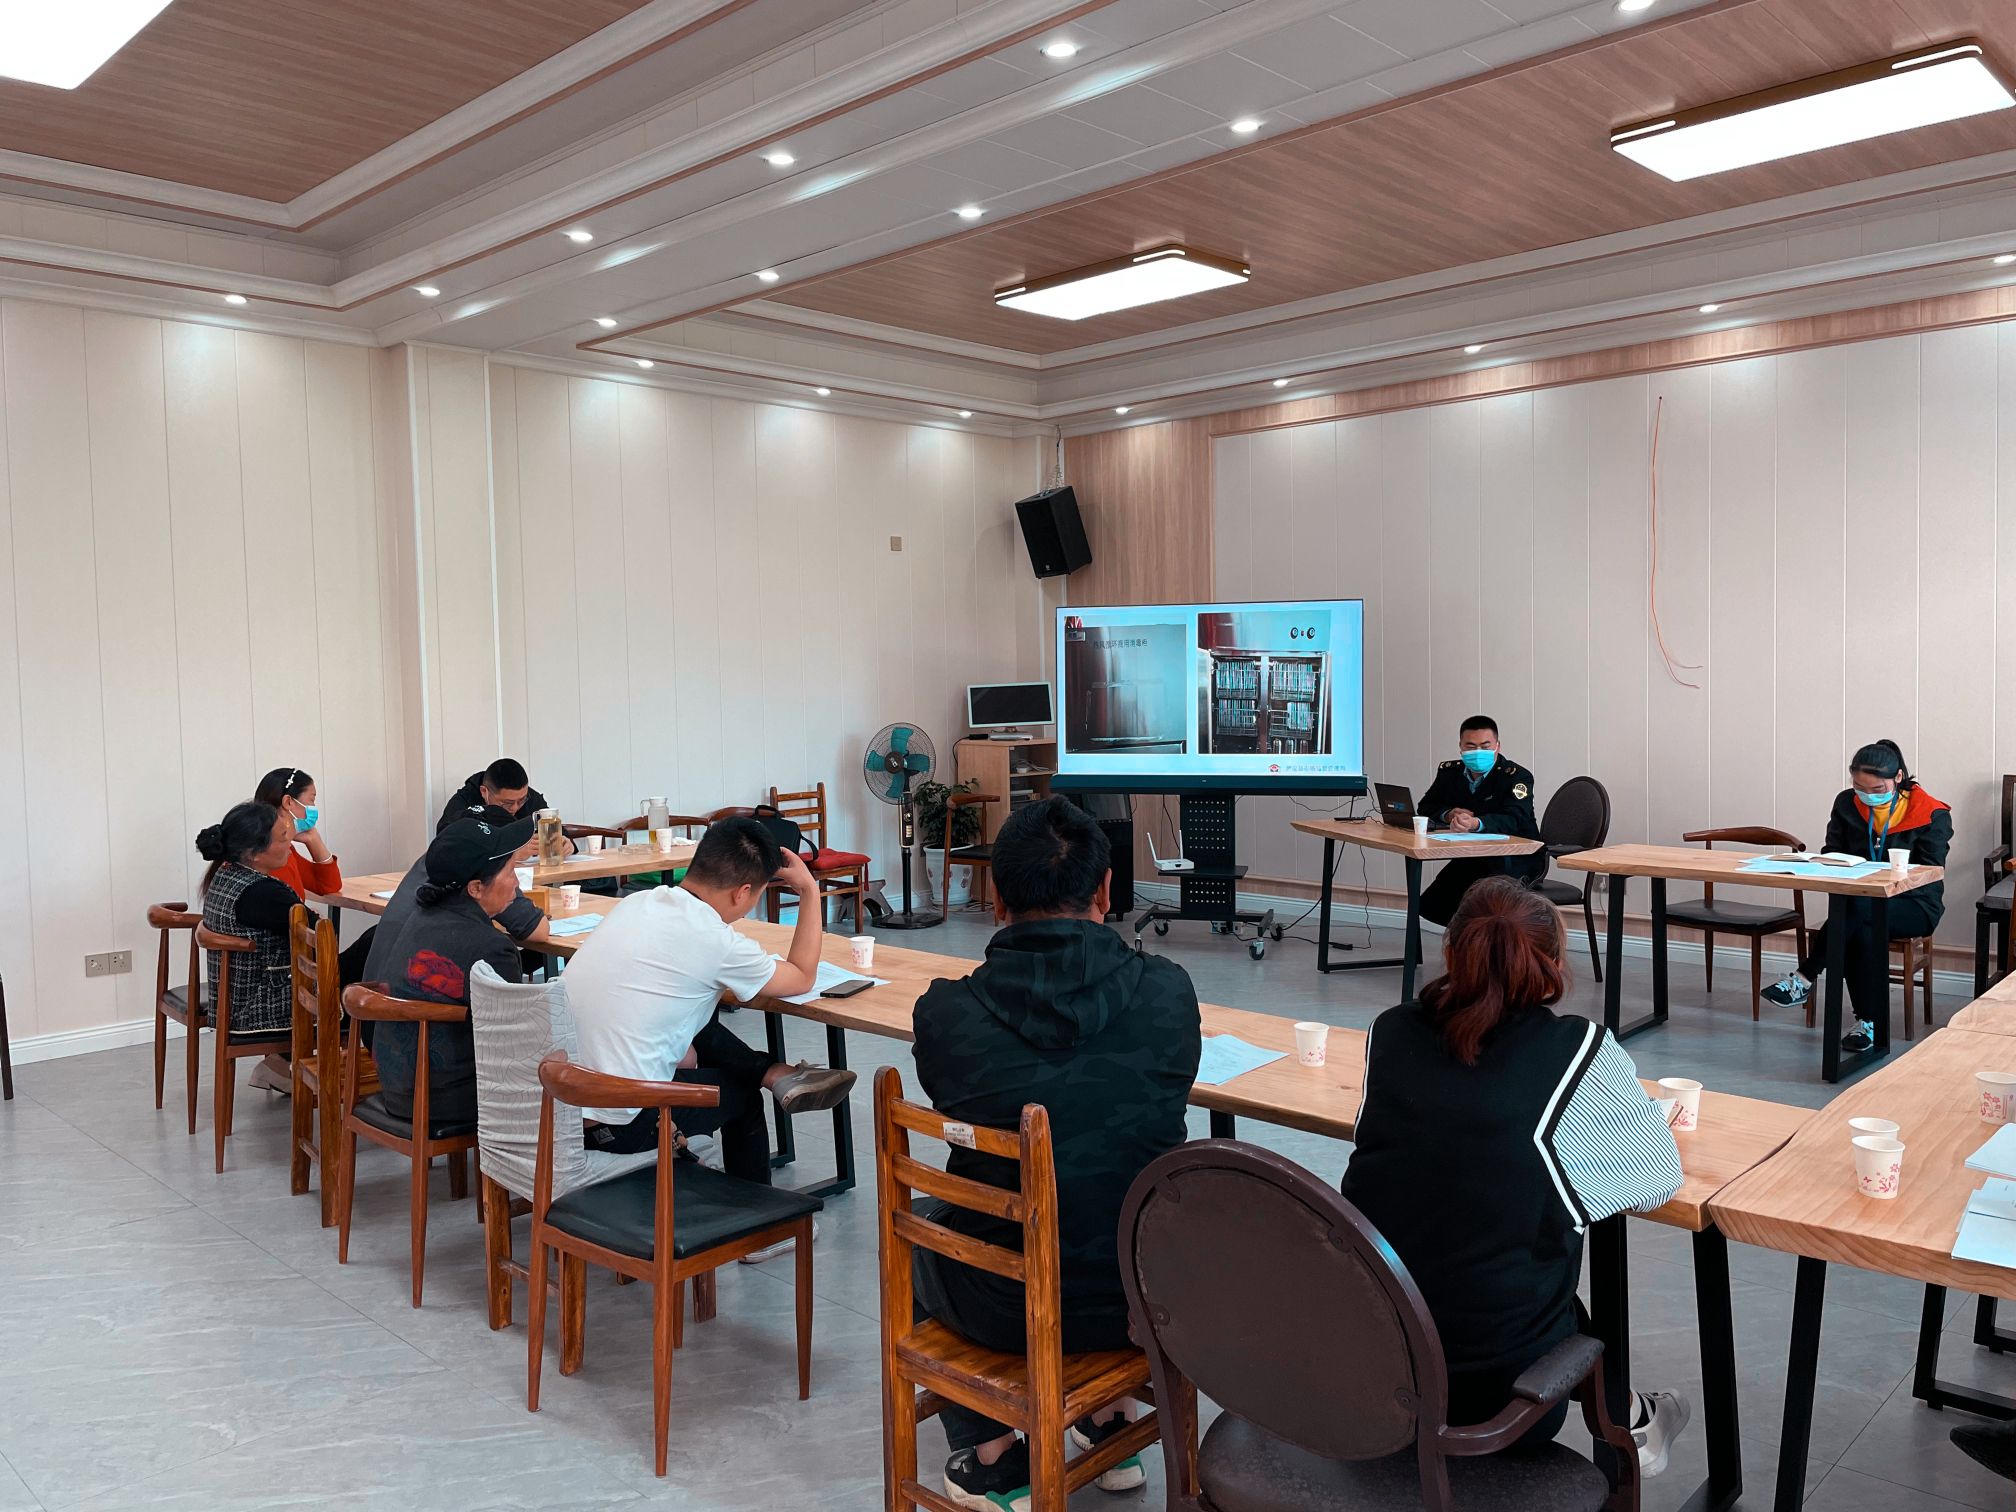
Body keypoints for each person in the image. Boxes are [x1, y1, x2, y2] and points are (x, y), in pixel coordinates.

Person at [1341, 877, 1690, 1474]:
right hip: (1496, 1397)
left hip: (1367, 1362)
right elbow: (1655, 1177)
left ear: (1451, 950)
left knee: (1469, 1233)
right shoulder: (1577, 1048)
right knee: (1528, 1245)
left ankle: (1630, 1411)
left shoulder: (1390, 1031)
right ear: (1554, 964)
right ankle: (1630, 1417)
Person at [910, 797, 1202, 1511]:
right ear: (1105, 891)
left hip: (1005, 1306)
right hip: (1150, 1299)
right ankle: (1112, 1425)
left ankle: (996, 1458)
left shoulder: (946, 1014)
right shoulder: (1169, 993)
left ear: (998, 898)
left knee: (919, 1224)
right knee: (1103, 1172)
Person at [562, 816, 857, 1187]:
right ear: (742, 893)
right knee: (742, 1097)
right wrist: (810, 891)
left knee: (695, 1019)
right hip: (618, 1122)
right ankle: (754, 1213)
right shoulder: (715, 940)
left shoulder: (636, 902)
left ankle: (772, 1073)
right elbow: (802, 976)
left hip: (561, 1102)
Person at [1762, 740, 1952, 1052]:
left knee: (1857, 911)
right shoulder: (1847, 804)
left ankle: (1804, 977)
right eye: (1859, 787)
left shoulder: (1930, 813)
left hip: (1914, 904)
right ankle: (1868, 1024)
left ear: (1898, 777)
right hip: (1860, 902)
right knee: (1859, 927)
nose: (1868, 795)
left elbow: (1932, 870)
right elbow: (1832, 851)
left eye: (1877, 788)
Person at [372, 816, 538, 1127]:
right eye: (511, 872)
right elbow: (514, 1046)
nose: (516, 883)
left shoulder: (421, 917)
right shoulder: (491, 947)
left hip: (400, 1087)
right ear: (475, 888)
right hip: (448, 1099)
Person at [196, 801, 302, 1092]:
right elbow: (319, 934)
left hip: (236, 1000)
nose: (290, 844)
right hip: (263, 1006)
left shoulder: (225, 874)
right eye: (283, 838)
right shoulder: (263, 893)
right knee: (378, 946)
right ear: (254, 853)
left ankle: (279, 1065)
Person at [1417, 715, 1545, 926]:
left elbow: (1514, 817)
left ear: (1497, 746)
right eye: (1471, 746)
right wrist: (1449, 814)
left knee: (1480, 907)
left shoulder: (1516, 776)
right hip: (1472, 855)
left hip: (1515, 857)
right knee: (1433, 903)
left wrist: (1476, 824)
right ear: (1461, 746)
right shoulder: (1450, 773)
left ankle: (1483, 942)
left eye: (1485, 746)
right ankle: (1465, 943)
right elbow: (1425, 806)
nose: (1478, 752)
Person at [252, 767, 342, 902]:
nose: (313, 806)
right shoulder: (272, 852)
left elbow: (328, 886)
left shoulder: (284, 848)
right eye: (311, 799)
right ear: (288, 802)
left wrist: (313, 839)